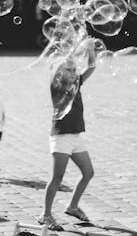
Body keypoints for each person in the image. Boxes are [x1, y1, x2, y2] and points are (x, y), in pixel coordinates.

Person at [38, 40, 97, 231]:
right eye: (69, 70)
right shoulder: (57, 86)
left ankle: (72, 206)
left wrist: (89, 49)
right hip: (61, 136)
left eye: (74, 70)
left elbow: (92, 66)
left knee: (88, 173)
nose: (73, 73)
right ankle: (45, 214)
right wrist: (68, 55)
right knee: (57, 178)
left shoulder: (77, 83)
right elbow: (57, 69)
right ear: (60, 72)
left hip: (76, 136)